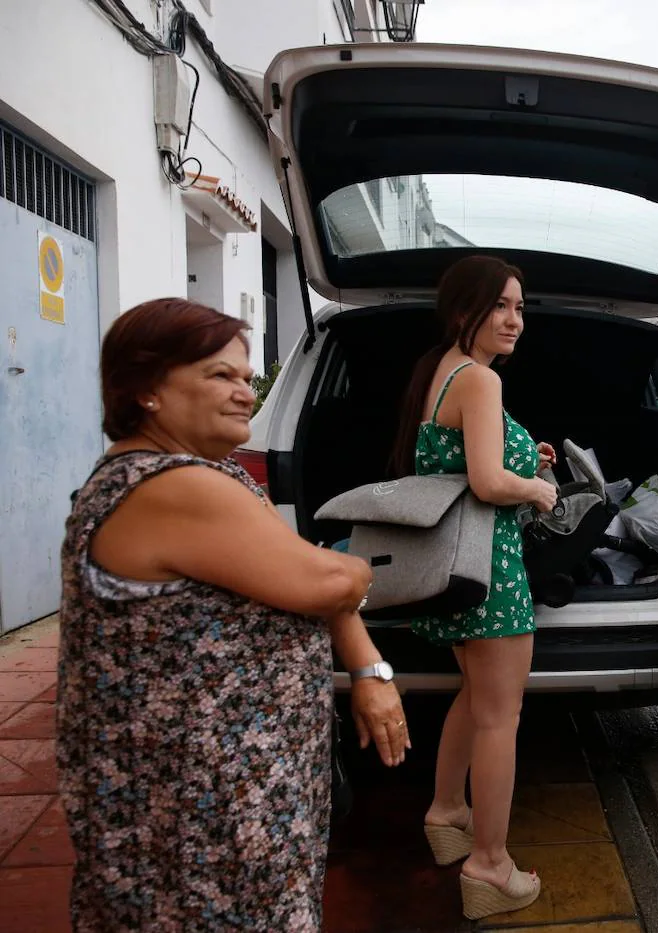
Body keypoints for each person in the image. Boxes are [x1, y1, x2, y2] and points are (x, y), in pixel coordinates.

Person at [58, 298, 407, 933]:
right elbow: (325, 577)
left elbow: (302, 580)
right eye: (220, 375)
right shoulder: (173, 485)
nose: (244, 392)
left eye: (247, 378)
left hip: (218, 782)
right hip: (204, 802)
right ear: (145, 390)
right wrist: (353, 572)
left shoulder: (197, 473)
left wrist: (367, 667)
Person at [390, 255, 558, 920]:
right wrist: (538, 486)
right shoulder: (480, 381)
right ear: (466, 311)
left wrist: (525, 455)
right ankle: (490, 864)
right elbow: (488, 483)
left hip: (457, 569)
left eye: (520, 306)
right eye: (502, 306)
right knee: (500, 718)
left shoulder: (440, 370)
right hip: (491, 573)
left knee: (475, 699)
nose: (515, 318)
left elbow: (469, 461)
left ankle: (446, 812)